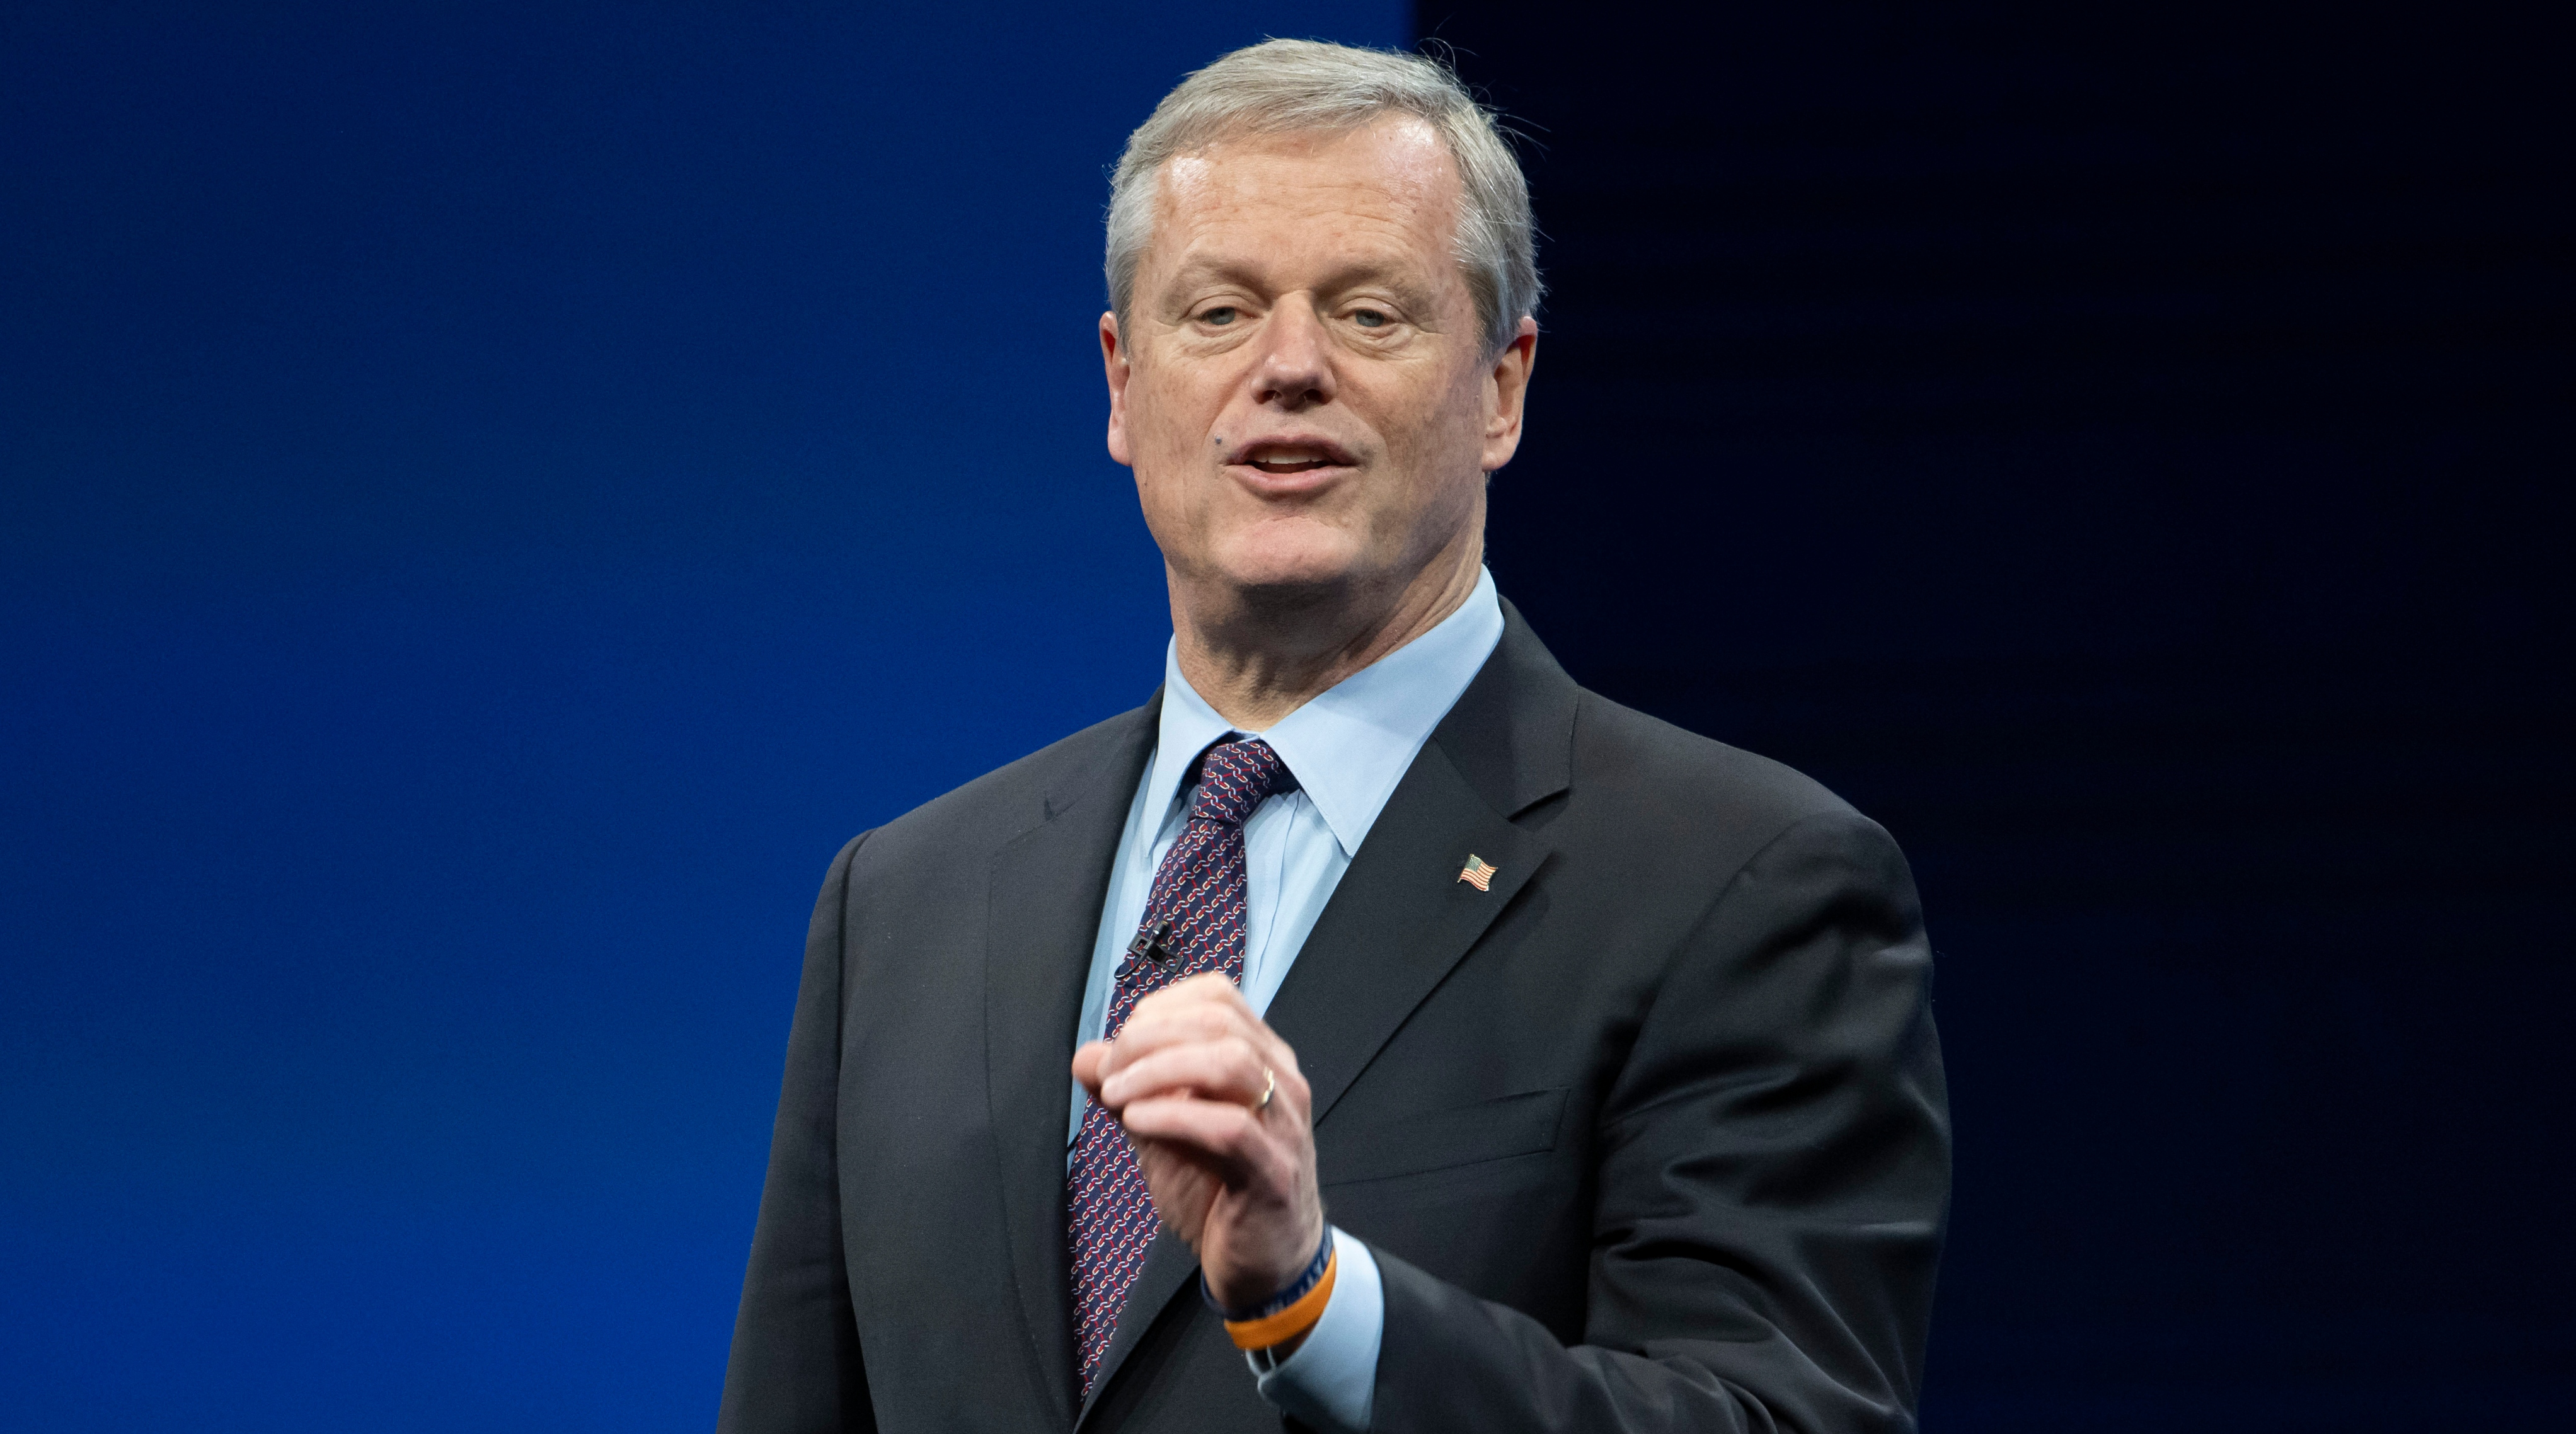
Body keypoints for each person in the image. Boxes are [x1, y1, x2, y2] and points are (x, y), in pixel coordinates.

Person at [718, 38, 1948, 1434]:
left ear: (1503, 385)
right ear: (1122, 385)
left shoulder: (1741, 884)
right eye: (1219, 312)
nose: (1287, 367)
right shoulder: (905, 900)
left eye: (1368, 314)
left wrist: (1316, 1302)